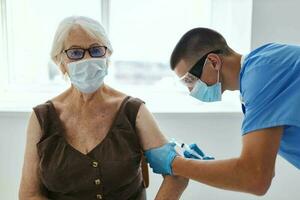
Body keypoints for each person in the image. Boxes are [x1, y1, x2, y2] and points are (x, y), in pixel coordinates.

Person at [19, 16, 188, 200]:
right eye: (75, 53)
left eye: (96, 50)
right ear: (59, 61)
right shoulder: (42, 118)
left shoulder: (134, 111)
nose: (88, 59)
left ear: (107, 56)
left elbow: (177, 175)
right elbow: (29, 194)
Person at [145, 27, 300, 196]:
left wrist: (175, 164)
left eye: (189, 80)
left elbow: (256, 178)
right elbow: (260, 168)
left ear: (213, 61)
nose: (191, 90)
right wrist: (199, 167)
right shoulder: (264, 63)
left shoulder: (261, 76)